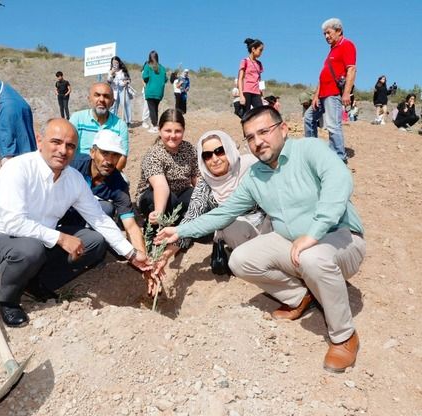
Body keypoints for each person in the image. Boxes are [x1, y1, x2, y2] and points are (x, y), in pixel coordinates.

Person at [157, 106, 366, 372]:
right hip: (293, 244)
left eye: (264, 132)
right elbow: (224, 213)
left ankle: (344, 336)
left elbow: (340, 181)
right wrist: (179, 231)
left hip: (341, 238)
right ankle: (300, 297)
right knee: (241, 260)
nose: (258, 142)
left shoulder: (310, 150)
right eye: (251, 137)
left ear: (282, 129)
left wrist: (313, 233)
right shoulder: (256, 176)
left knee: (312, 257)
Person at [0, 118, 150, 327]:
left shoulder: (73, 178)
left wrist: (131, 254)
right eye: (56, 142)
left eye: (70, 146)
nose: (63, 150)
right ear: (40, 141)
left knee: (94, 241)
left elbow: (99, 218)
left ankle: (36, 283)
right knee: (30, 250)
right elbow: (13, 223)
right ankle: (8, 301)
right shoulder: (17, 169)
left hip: (40, 240)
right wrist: (60, 237)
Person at [153, 130, 268, 277]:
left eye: (220, 151)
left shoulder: (251, 167)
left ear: (229, 149)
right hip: (241, 236)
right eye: (207, 155)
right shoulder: (205, 185)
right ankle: (256, 263)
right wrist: (165, 257)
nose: (214, 159)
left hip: (269, 226)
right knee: (229, 225)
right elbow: (191, 219)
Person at [69, 129, 145, 253]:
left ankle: (90, 237)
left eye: (115, 155)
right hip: (60, 214)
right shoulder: (73, 166)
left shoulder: (119, 183)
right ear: (92, 152)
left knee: (106, 208)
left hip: (88, 218)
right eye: (105, 153)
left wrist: (141, 256)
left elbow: (130, 225)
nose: (109, 161)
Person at [304, 18, 356, 163]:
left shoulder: (347, 45)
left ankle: (339, 158)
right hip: (322, 94)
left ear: (338, 31)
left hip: (333, 94)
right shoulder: (332, 50)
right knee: (309, 118)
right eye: (324, 34)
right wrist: (315, 96)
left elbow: (351, 69)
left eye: (328, 33)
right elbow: (323, 75)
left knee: (333, 125)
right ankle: (311, 150)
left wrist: (346, 92)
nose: (326, 36)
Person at [137, 108, 199, 225]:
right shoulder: (154, 154)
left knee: (197, 196)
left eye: (178, 131)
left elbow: (197, 178)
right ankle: (155, 223)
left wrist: (205, 199)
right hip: (153, 195)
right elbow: (160, 186)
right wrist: (159, 213)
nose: (173, 135)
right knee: (170, 200)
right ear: (160, 130)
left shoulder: (189, 149)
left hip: (181, 193)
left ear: (183, 131)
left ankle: (182, 224)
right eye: (168, 131)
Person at [69, 82, 129, 171]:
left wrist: (107, 178)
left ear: (112, 102)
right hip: (78, 170)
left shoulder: (120, 125)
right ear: (89, 99)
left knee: (124, 183)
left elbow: (122, 158)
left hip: (108, 172)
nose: (101, 99)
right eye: (97, 95)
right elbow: (69, 148)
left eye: (106, 96)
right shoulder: (77, 119)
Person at [142, 50, 167, 133]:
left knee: (152, 109)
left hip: (150, 91)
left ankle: (154, 126)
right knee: (155, 108)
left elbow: (145, 77)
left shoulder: (148, 66)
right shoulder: (162, 68)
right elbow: (166, 79)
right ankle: (156, 125)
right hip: (159, 92)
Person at [238, 38, 265, 116]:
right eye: (260, 50)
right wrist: (241, 95)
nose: (261, 53)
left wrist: (262, 95)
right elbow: (240, 79)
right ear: (253, 49)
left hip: (256, 92)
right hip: (247, 91)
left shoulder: (259, 64)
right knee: (246, 115)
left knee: (261, 112)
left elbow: (260, 80)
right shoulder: (244, 61)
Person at [107, 56, 132, 126]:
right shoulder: (110, 71)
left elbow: (129, 79)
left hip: (122, 90)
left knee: (126, 104)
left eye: (116, 63)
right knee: (113, 106)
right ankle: (112, 121)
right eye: (113, 63)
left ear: (119, 63)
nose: (115, 64)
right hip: (114, 90)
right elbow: (108, 81)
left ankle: (128, 122)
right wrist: (111, 74)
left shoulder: (123, 71)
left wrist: (126, 82)